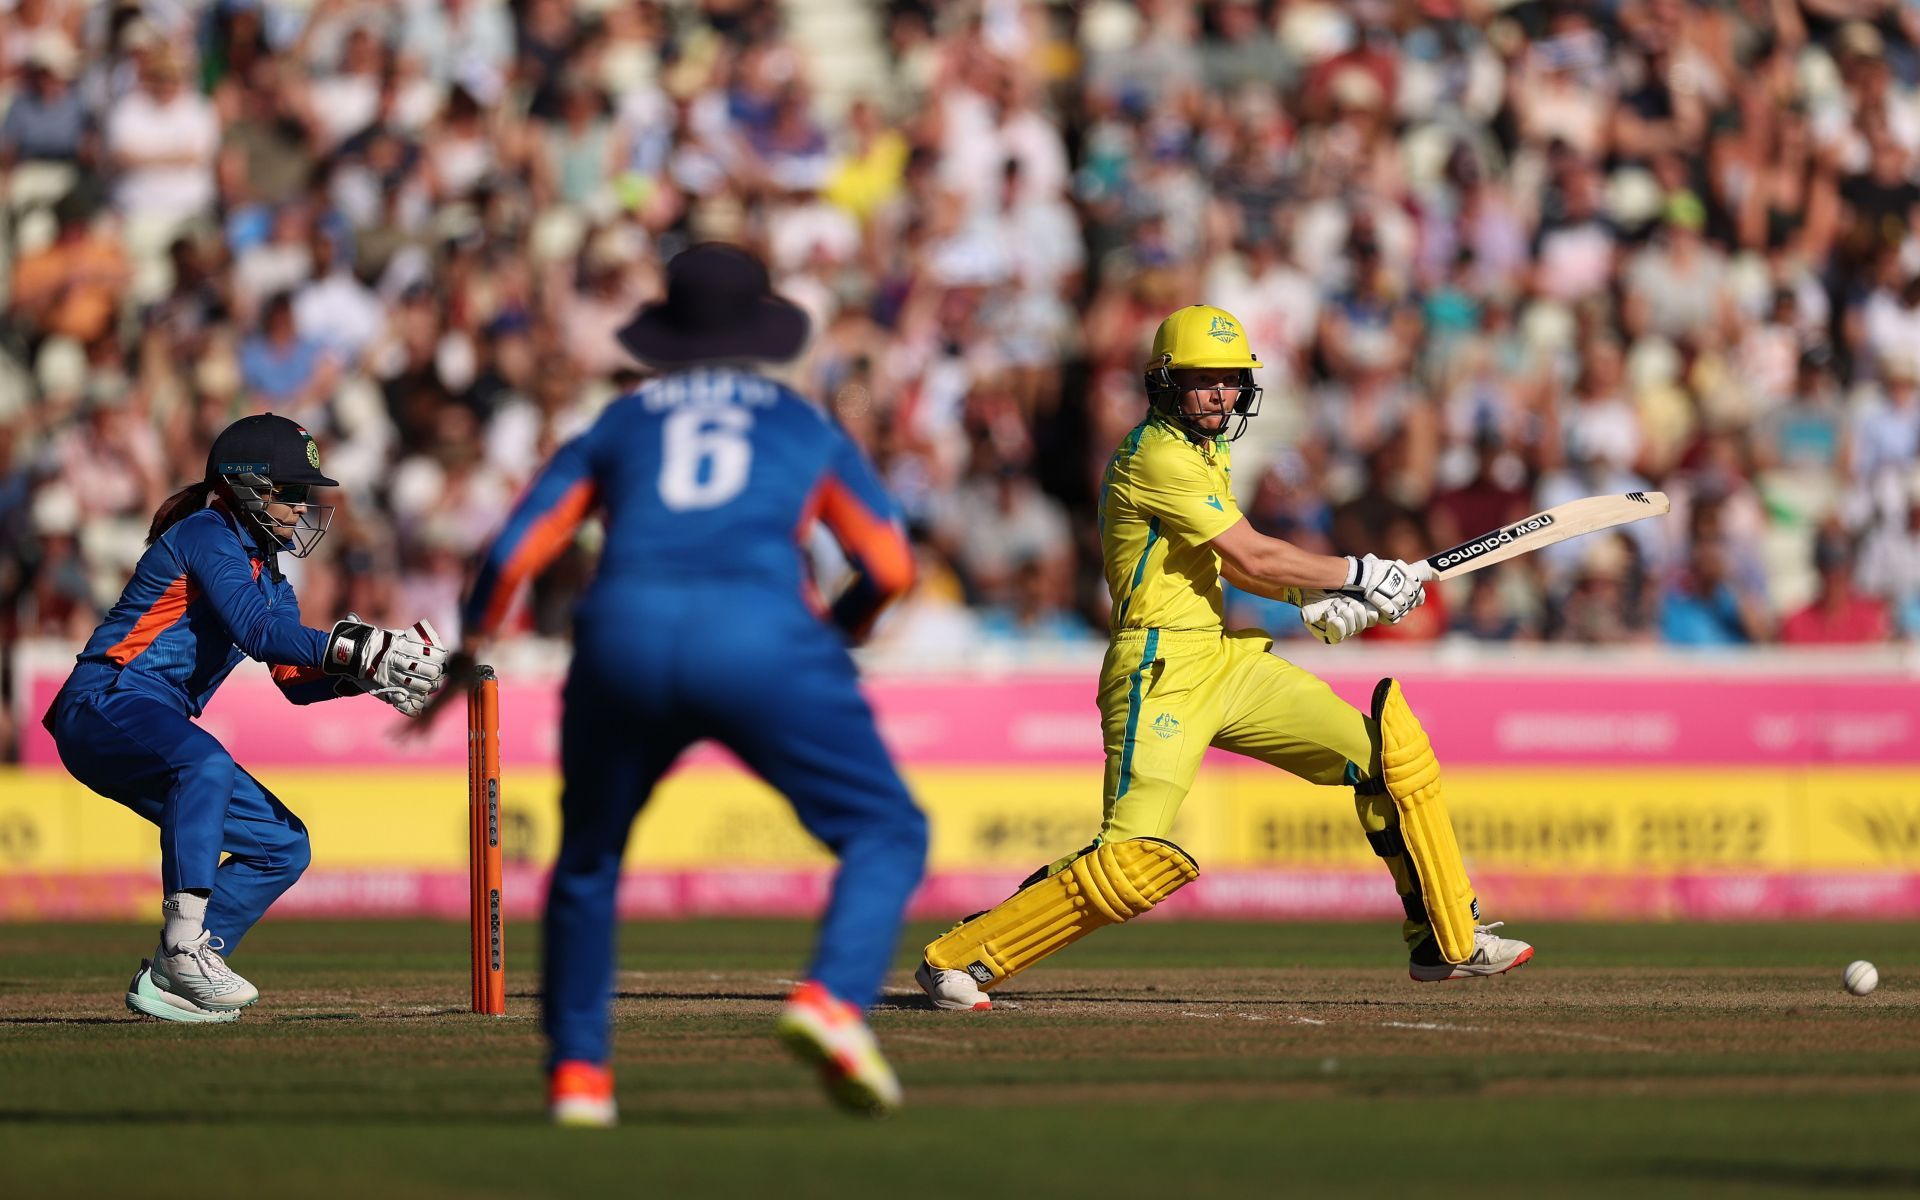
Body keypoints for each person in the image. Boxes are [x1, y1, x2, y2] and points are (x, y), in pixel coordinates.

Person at [916, 305, 1534, 1012]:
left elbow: (1236, 567)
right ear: (1165, 384)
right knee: (1131, 860)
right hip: (1159, 671)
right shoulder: (1158, 455)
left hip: (1222, 658)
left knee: (1389, 759)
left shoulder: (1210, 451)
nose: (1221, 395)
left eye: (1232, 381)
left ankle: (1446, 935)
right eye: (1203, 381)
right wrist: (1359, 573)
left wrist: (1315, 596)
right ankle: (959, 958)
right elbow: (1252, 552)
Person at [437, 243, 927, 1126]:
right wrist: (834, 640)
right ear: (763, 334)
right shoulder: (803, 421)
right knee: (886, 828)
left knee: (588, 860)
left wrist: (470, 645)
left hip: (623, 632)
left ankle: (580, 1080)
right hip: (764, 635)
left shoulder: (618, 422)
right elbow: (890, 566)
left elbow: (513, 552)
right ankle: (831, 1000)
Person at [43, 414, 448, 1024]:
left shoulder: (270, 571)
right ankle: (182, 945)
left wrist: (367, 675)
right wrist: (359, 647)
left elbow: (293, 682)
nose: (299, 507)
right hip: (105, 698)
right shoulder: (206, 532)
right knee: (200, 760)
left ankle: (169, 978)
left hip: (149, 715)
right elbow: (260, 634)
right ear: (245, 486)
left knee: (281, 847)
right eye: (288, 492)